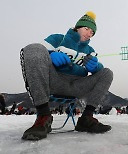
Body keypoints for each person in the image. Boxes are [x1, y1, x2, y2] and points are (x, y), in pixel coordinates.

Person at [20, 11, 113, 140]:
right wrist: (50, 53)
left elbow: (99, 71)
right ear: (77, 27)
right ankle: (43, 116)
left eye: (92, 32)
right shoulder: (58, 38)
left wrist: (95, 67)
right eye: (86, 29)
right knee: (32, 48)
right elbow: (37, 50)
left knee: (107, 72)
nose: (89, 34)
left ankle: (86, 118)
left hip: (77, 85)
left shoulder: (90, 51)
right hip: (54, 80)